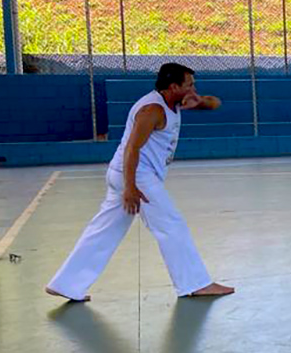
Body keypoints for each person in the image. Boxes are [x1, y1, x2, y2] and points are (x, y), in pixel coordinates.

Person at [46, 63, 234, 302]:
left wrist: (200, 102)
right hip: (136, 175)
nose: (193, 88)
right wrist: (130, 187)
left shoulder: (174, 102)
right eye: (189, 85)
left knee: (104, 230)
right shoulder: (152, 110)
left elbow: (215, 103)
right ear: (173, 86)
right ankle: (195, 283)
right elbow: (131, 149)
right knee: (170, 223)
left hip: (131, 175)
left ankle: (66, 284)